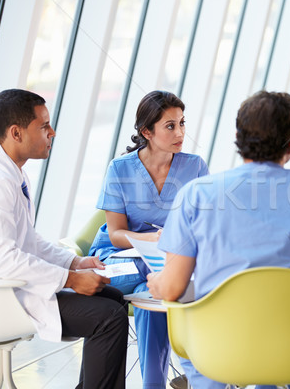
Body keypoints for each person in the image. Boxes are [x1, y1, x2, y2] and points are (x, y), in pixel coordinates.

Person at [147, 90, 290, 389]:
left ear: (238, 137)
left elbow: (172, 288)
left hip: (219, 350)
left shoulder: (197, 194)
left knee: (196, 341)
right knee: (278, 361)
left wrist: (157, 281)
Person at [0, 89, 129, 388]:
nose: (52, 133)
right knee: (108, 317)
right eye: (44, 126)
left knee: (115, 300)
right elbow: (5, 261)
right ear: (16, 132)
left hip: (5, 285)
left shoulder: (10, 172)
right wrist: (70, 279)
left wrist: (76, 262)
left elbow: (27, 240)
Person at [87, 90, 209, 388]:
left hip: (165, 263)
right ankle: (199, 375)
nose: (180, 132)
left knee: (150, 294)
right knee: (155, 278)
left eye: (182, 123)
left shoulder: (194, 166)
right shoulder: (120, 169)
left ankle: (154, 384)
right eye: (170, 126)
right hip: (119, 262)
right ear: (146, 131)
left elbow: (204, 225)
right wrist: (150, 238)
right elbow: (115, 234)